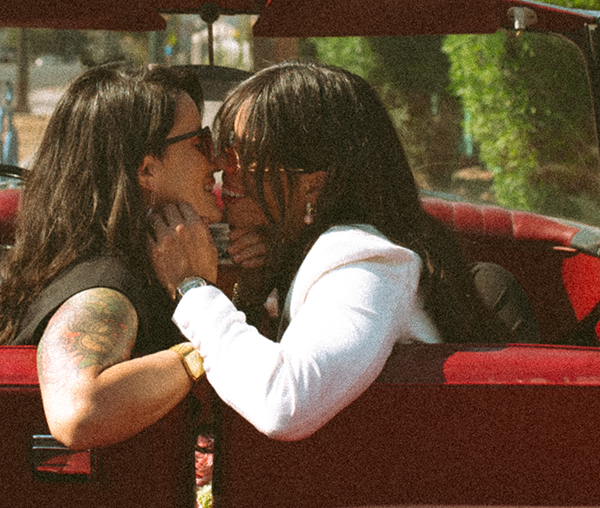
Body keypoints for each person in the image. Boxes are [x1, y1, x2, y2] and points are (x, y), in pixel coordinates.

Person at [148, 60, 509, 441]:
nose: (221, 165)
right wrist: (258, 286)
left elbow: (283, 402)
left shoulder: (363, 260)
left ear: (314, 184)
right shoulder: (317, 252)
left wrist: (193, 288)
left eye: (240, 154)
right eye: (221, 150)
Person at [0, 63, 222, 449]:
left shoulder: (114, 260)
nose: (217, 162)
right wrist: (215, 345)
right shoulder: (105, 289)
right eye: (200, 144)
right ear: (146, 168)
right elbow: (79, 411)